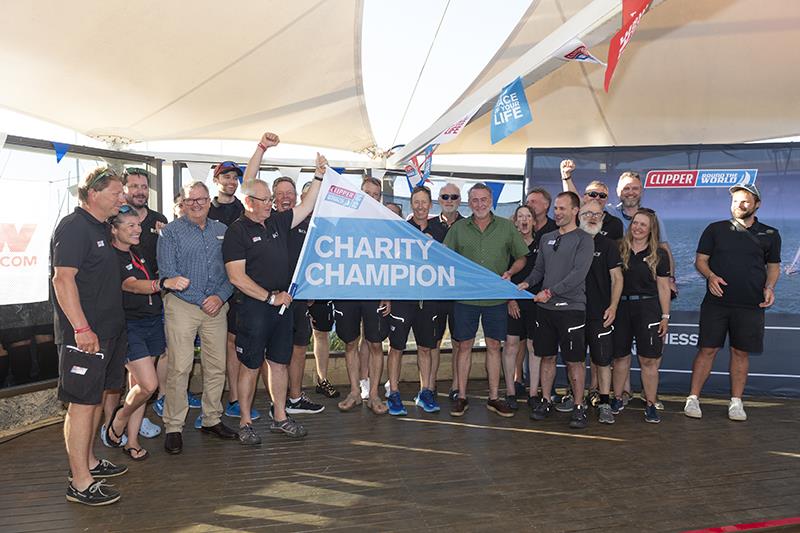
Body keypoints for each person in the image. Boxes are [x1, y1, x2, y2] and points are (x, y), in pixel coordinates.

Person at [223, 161, 324, 444]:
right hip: (255, 307)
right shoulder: (237, 231)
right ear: (249, 202)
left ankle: (280, 417)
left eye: (271, 199)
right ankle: (245, 422)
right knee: (250, 365)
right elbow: (236, 277)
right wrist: (269, 297)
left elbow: (305, 207)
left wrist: (318, 176)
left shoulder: (277, 221)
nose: (270, 204)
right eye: (265, 200)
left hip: (283, 306)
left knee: (279, 363)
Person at [50, 167, 127, 506]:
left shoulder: (100, 227)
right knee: (81, 406)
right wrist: (82, 329)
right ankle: (79, 482)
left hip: (108, 333)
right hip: (85, 336)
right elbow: (62, 280)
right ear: (93, 194)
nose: (121, 198)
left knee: (94, 400)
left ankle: (90, 462)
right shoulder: (74, 227)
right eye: (116, 193)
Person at [684, 183, 781, 421]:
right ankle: (693, 399)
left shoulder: (771, 234)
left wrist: (769, 287)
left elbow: (774, 267)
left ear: (757, 204)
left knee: (740, 353)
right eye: (736, 201)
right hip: (716, 304)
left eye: (745, 201)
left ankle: (736, 402)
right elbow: (700, 260)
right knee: (707, 350)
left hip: (751, 305)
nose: (739, 205)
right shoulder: (715, 229)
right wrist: (710, 276)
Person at [158, 181, 238, 454]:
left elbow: (232, 273)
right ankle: (173, 426)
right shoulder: (169, 233)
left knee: (216, 367)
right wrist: (202, 299)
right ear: (182, 203)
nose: (196, 204)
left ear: (208, 200)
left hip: (216, 306)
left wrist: (220, 297)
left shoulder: (222, 231)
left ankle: (212, 419)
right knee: (180, 367)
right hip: (182, 306)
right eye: (190, 200)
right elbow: (167, 273)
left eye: (201, 200)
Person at [108, 206, 190, 460]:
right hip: (129, 326)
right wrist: (162, 283)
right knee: (149, 385)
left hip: (152, 322)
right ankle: (118, 419)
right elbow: (130, 286)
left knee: (138, 387)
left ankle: (131, 441)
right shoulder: (111, 257)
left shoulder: (138, 252)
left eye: (138, 225)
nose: (137, 229)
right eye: (130, 226)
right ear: (114, 229)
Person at [444, 183, 529, 417]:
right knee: (464, 347)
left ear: (491, 201)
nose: (479, 204)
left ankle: (494, 397)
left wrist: (510, 273)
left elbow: (522, 257)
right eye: (475, 200)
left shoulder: (506, 227)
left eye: (483, 199)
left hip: (495, 299)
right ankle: (461, 396)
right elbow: (443, 258)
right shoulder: (458, 229)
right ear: (469, 203)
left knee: (494, 346)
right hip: (465, 298)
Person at [518, 192, 594, 429]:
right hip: (546, 311)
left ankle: (579, 406)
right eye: (556, 209)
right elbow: (539, 270)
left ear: (575, 211)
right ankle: (546, 399)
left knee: (575, 361)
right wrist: (526, 284)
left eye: (563, 209)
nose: (558, 213)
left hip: (571, 309)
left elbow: (577, 275)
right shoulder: (546, 238)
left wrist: (549, 293)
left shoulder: (584, 239)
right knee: (547, 357)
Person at [261, 175, 325, 416]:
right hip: (272, 298)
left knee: (299, 347)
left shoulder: (308, 225)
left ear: (297, 196)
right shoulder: (265, 223)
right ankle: (276, 402)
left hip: (299, 298)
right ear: (273, 198)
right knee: (274, 354)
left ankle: (295, 398)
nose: (286, 197)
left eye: (290, 192)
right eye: (281, 193)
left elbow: (315, 259)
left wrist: (312, 290)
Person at [386, 186, 448, 416]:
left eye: (425, 202)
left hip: (429, 299)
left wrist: (435, 247)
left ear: (430, 205)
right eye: (417, 202)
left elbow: (449, 262)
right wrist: (388, 296)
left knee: (426, 347)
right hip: (403, 297)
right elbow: (391, 263)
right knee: (396, 347)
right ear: (411, 205)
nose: (421, 206)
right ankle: (393, 392)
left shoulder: (440, 230)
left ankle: (426, 392)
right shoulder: (401, 229)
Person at [335, 177, 392, 415]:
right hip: (347, 291)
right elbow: (331, 256)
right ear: (359, 194)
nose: (371, 198)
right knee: (350, 343)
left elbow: (393, 262)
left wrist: (388, 293)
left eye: (375, 194)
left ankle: (375, 395)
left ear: (380, 198)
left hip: (375, 292)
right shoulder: (342, 222)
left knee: (376, 344)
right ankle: (355, 392)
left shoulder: (387, 224)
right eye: (366, 193)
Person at [121, 166, 169, 439]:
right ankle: (119, 423)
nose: (139, 191)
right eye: (133, 186)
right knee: (140, 376)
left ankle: (134, 423)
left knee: (141, 374)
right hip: (125, 307)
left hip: (153, 305)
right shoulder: (115, 220)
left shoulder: (159, 219)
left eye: (143, 186)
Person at [611, 209, 672, 423]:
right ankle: (617, 398)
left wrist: (665, 316)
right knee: (620, 357)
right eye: (635, 223)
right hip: (621, 309)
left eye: (643, 225)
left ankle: (650, 403)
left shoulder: (660, 254)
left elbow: (664, 288)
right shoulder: (618, 248)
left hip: (648, 309)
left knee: (648, 360)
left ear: (651, 229)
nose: (637, 227)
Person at [577, 201, 623, 424]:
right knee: (575, 360)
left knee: (603, 361)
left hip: (600, 314)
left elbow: (617, 278)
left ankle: (604, 402)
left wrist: (613, 306)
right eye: (588, 213)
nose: (592, 217)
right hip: (573, 312)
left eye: (597, 214)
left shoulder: (608, 245)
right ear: (579, 215)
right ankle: (576, 400)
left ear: (603, 218)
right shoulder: (570, 240)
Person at [503, 205, 537, 410]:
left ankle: (534, 393)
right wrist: (510, 299)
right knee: (511, 346)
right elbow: (503, 273)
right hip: (513, 302)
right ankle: (510, 391)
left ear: (534, 220)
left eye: (528, 216)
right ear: (515, 221)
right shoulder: (508, 244)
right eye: (520, 216)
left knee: (534, 348)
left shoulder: (543, 243)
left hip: (535, 303)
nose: (524, 220)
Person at [434, 183, 464, 401]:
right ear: (439, 200)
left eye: (454, 196)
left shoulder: (469, 225)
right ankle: (430, 384)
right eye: (445, 196)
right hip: (435, 294)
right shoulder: (429, 224)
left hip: (460, 295)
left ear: (459, 200)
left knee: (459, 342)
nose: (449, 200)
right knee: (432, 342)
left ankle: (456, 386)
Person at [559, 159, 623, 240]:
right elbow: (572, 197)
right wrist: (566, 176)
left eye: (602, 195)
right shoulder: (574, 218)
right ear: (584, 197)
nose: (597, 198)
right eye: (593, 194)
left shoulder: (614, 223)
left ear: (607, 200)